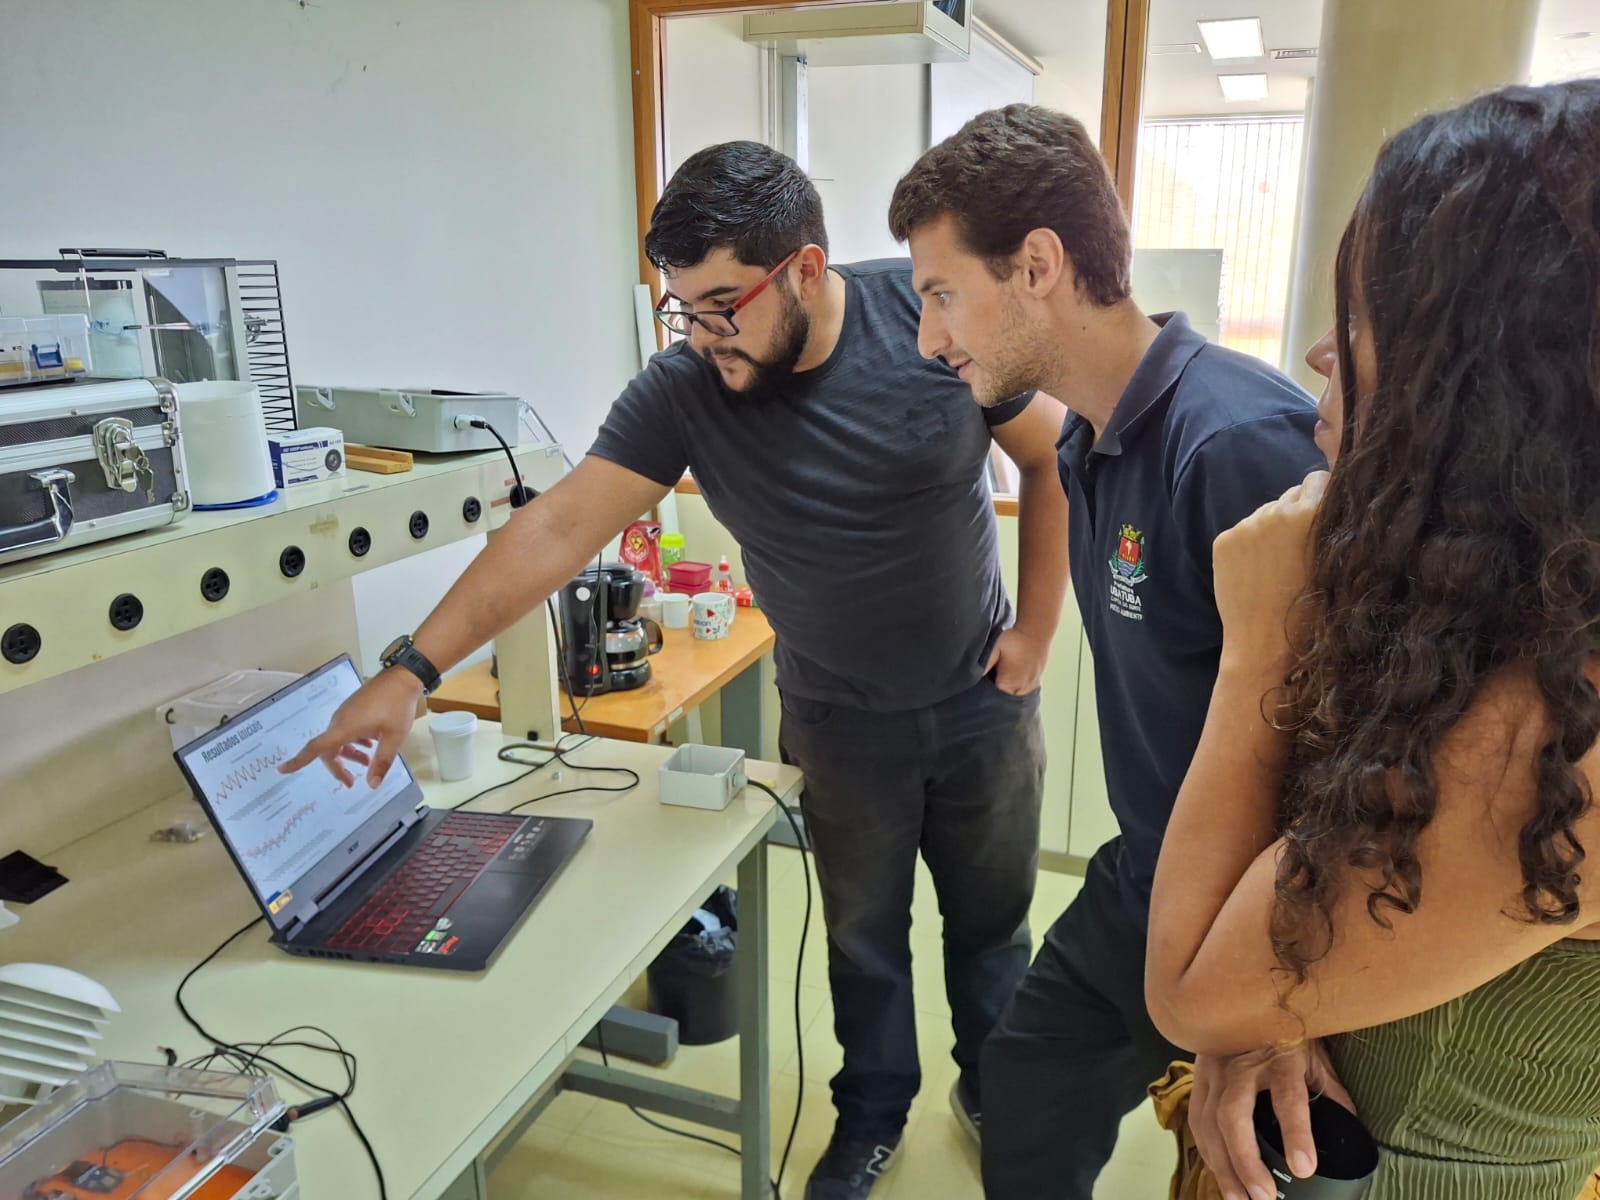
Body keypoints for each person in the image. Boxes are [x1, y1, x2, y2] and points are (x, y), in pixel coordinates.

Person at [282, 140, 1070, 1200]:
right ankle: (873, 1115)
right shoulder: (687, 388)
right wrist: (412, 669)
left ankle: (996, 1092)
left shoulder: (928, 321)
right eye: (679, 309)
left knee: (990, 938)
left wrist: (1037, 633)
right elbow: (558, 525)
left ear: (801, 267)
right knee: (862, 946)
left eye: (719, 304)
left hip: (982, 703)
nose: (700, 336)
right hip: (839, 725)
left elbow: (1050, 456)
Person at [1145, 78, 1600, 1200]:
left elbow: (1192, 985)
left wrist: (1257, 649)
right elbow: (1309, 913)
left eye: (1359, 324)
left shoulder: (1553, 729)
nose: (1317, 354)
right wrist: (1274, 1006)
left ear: (1488, 383)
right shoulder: (1518, 613)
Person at [887, 104, 1325, 1197]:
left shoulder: (1232, 443)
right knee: (1024, 1082)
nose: (929, 338)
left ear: (1037, 264)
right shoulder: (1085, 439)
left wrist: (1269, 994)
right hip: (1148, 868)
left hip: (1257, 892)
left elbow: (1341, 748)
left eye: (942, 295)